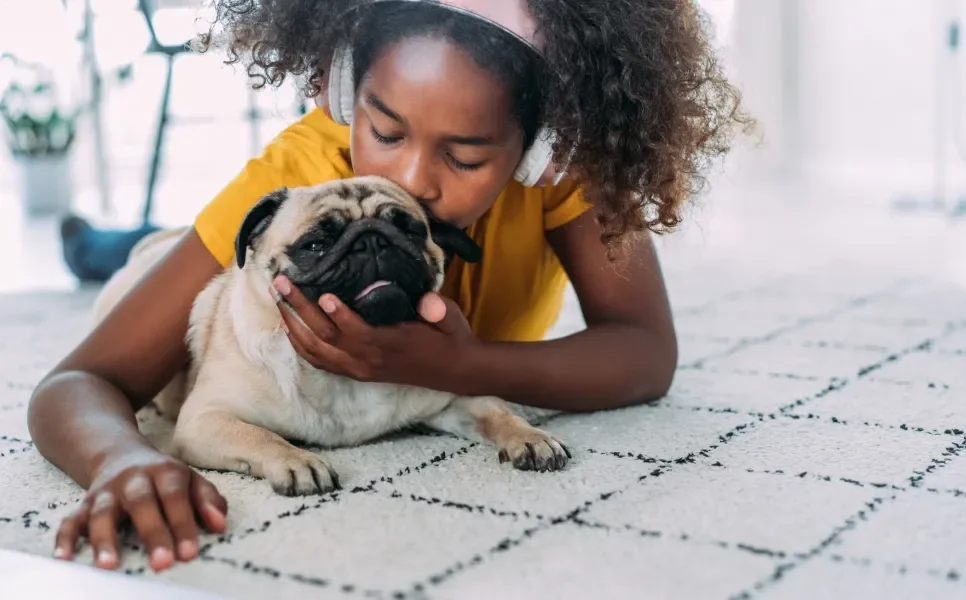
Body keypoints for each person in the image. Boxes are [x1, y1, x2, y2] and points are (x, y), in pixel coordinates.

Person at [27, 0, 752, 574]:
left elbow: (646, 354)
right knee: (145, 253)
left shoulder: (564, 176)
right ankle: (98, 245)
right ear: (347, 96)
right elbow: (77, 383)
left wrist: (458, 368)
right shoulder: (298, 174)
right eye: (385, 130)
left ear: (536, 152)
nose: (412, 181)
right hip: (229, 232)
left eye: (465, 156)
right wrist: (122, 459)